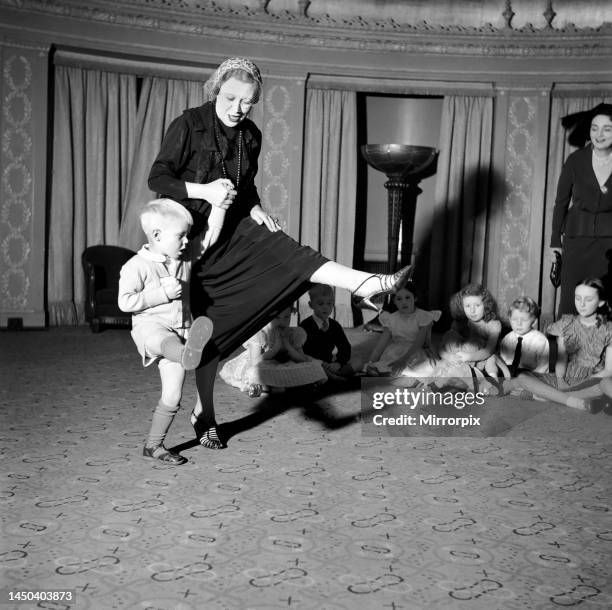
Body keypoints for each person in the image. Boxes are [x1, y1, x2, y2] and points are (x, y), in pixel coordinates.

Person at [148, 57, 410, 449]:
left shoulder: (249, 135)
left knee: (291, 252)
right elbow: (159, 178)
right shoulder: (188, 124)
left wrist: (254, 207)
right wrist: (205, 192)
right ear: (216, 89)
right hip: (193, 240)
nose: (238, 109)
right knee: (211, 333)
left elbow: (245, 185)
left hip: (234, 229)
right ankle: (205, 413)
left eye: (248, 102)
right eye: (231, 98)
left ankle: (366, 283)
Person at [118, 199, 214, 464]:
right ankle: (185, 353)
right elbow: (125, 302)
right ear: (157, 235)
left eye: (187, 236)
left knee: (173, 395)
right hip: (151, 329)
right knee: (165, 340)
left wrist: (220, 206)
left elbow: (211, 236)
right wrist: (161, 294)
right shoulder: (135, 266)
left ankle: (153, 446)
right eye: (181, 236)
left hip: (181, 331)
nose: (186, 242)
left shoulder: (184, 259)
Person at [514, 277, 612, 411]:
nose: (581, 304)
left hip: (593, 379)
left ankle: (550, 396)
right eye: (578, 298)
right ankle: (570, 400)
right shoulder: (567, 323)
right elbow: (562, 359)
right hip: (567, 376)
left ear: (601, 302)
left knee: (605, 386)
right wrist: (560, 381)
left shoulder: (608, 329)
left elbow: (608, 370)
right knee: (522, 377)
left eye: (588, 300)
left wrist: (587, 381)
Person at [551, 103, 612, 314]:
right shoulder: (575, 160)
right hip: (576, 239)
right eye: (595, 128)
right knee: (571, 297)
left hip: (608, 244)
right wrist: (554, 242)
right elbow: (560, 202)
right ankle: (566, 345)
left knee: (604, 298)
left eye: (607, 129)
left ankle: (602, 345)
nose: (599, 134)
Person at [220, 306, 327, 396]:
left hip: (285, 364)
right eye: (277, 318)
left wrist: (288, 346)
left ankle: (282, 386)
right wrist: (275, 348)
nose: (282, 322)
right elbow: (255, 362)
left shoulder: (294, 333)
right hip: (263, 363)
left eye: (287, 317)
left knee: (313, 366)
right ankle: (277, 387)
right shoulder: (261, 334)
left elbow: (301, 358)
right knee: (255, 373)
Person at [364, 280, 440, 377]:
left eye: (407, 297)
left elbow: (419, 343)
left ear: (415, 298)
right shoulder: (391, 319)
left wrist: (403, 361)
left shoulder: (423, 316)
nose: (404, 302)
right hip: (396, 351)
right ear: (394, 301)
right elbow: (381, 345)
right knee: (383, 366)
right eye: (399, 299)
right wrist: (371, 362)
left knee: (425, 370)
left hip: (415, 351)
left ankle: (403, 376)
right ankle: (392, 374)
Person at [299, 284, 363, 381]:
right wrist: (319, 363)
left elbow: (345, 347)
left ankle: (332, 375)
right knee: (306, 367)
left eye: (329, 304)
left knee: (358, 362)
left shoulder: (335, 326)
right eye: (320, 304)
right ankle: (332, 377)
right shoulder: (305, 325)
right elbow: (301, 352)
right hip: (312, 364)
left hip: (330, 364)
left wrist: (338, 363)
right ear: (311, 305)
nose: (325, 307)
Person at [438, 283, 502, 378]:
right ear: (462, 307)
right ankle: (449, 371)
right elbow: (441, 348)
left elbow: (489, 350)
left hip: (480, 357)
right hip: (458, 355)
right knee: (451, 336)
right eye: (467, 306)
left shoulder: (493, 325)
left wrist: (469, 357)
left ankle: (491, 379)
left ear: (486, 305)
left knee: (483, 349)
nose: (472, 311)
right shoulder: (459, 323)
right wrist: (448, 356)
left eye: (477, 305)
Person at [499, 297, 550, 376]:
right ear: (509, 319)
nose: (519, 324)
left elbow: (544, 366)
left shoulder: (540, 340)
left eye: (524, 320)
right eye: (515, 319)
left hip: (531, 375)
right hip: (508, 373)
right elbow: (502, 360)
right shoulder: (507, 338)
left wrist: (533, 378)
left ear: (534, 322)